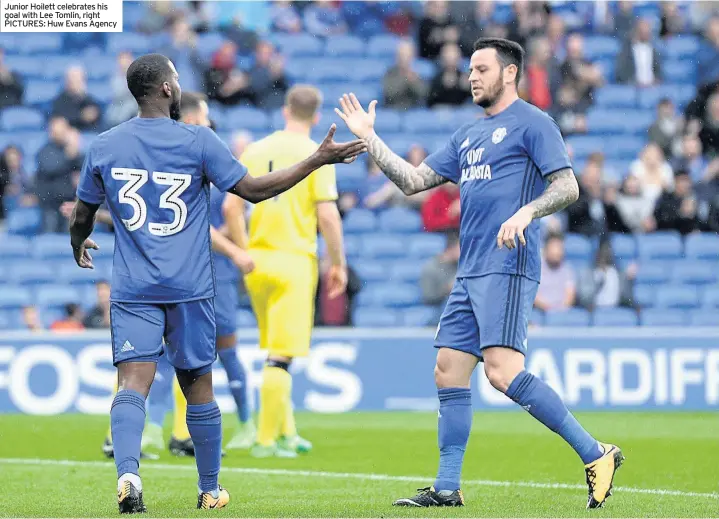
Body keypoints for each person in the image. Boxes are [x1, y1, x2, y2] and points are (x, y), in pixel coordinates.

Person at [334, 37, 623, 509]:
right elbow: (412, 182)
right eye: (470, 69)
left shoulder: (534, 123)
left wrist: (527, 212)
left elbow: (567, 185)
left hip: (507, 265)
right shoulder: (467, 135)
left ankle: (596, 453)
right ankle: (447, 487)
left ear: (509, 73)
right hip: (470, 272)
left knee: (503, 374)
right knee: (448, 370)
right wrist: (370, 138)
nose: (472, 76)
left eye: (482, 68)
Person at [69, 53, 365, 513]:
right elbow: (254, 191)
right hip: (189, 288)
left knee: (132, 383)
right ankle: (209, 490)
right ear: (167, 89)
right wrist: (316, 160)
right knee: (199, 387)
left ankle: (129, 474)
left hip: (133, 288)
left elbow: (82, 212)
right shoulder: (198, 141)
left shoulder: (105, 145)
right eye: (176, 76)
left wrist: (78, 243)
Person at [235, 84, 348, 458]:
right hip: (294, 261)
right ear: (316, 117)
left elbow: (230, 209)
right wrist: (339, 263)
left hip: (257, 262)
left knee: (274, 347)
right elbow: (328, 214)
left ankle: (287, 432)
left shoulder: (255, 150)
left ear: (285, 110)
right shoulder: (315, 153)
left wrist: (242, 249)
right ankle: (265, 440)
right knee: (280, 356)